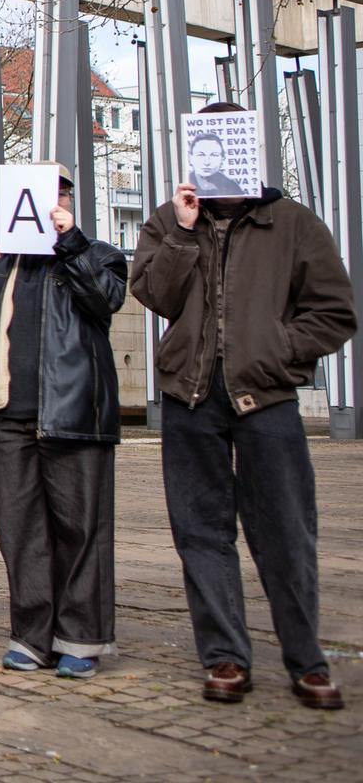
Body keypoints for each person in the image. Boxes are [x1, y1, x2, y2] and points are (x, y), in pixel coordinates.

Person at [131, 102, 355, 711]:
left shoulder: (293, 225)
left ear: (247, 150)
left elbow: (334, 312)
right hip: (190, 396)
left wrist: (280, 351)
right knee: (201, 533)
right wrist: (181, 230)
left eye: (223, 147)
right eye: (201, 149)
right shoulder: (170, 222)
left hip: (267, 401)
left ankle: (306, 660)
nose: (212, 159)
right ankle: (225, 656)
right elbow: (153, 292)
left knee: (285, 533)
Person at [0, 163, 127, 678]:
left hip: (73, 412)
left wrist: (69, 241)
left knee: (80, 526)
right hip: (10, 414)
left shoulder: (96, 253)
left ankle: (80, 637)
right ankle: (31, 634)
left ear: (70, 201)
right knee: (21, 529)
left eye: (58, 195)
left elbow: (105, 299)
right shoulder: (7, 263)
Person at [185, 132, 242, 197]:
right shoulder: (184, 183)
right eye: (201, 155)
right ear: (190, 158)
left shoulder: (232, 187)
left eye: (214, 155)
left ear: (222, 159)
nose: (207, 162)